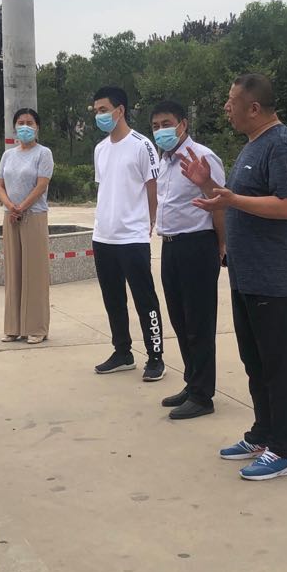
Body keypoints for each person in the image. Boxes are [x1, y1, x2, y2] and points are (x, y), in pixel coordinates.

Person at [181, 74, 287, 481]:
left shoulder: (282, 144)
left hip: (274, 277)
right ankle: (263, 435)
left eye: (231, 100)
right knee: (255, 362)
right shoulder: (254, 144)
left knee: (278, 366)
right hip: (247, 273)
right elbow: (238, 200)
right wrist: (209, 184)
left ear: (254, 108)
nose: (226, 107)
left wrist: (233, 199)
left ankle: (284, 450)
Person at [151, 100, 226, 421]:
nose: (161, 131)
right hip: (170, 246)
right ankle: (192, 381)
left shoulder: (203, 157)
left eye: (166, 124)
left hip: (197, 245)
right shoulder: (164, 161)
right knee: (180, 320)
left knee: (199, 323)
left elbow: (219, 202)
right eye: (155, 126)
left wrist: (221, 244)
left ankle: (202, 395)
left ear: (183, 124)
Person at [90, 86, 165, 382]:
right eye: (96, 111)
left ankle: (155, 355)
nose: (99, 115)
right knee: (113, 299)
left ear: (120, 110)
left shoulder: (142, 145)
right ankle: (122, 352)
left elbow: (152, 188)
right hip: (103, 236)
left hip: (132, 237)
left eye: (104, 110)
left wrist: (149, 221)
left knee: (144, 299)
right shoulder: (100, 149)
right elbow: (106, 187)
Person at [0, 107, 53, 344]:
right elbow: (0, 185)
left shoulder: (43, 153)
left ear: (37, 127)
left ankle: (36, 327)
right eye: (21, 123)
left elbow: (41, 185)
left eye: (30, 123)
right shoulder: (8, 155)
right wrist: (10, 206)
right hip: (10, 217)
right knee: (13, 272)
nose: (25, 127)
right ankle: (13, 327)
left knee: (34, 272)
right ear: (14, 127)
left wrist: (21, 207)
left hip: (33, 216)